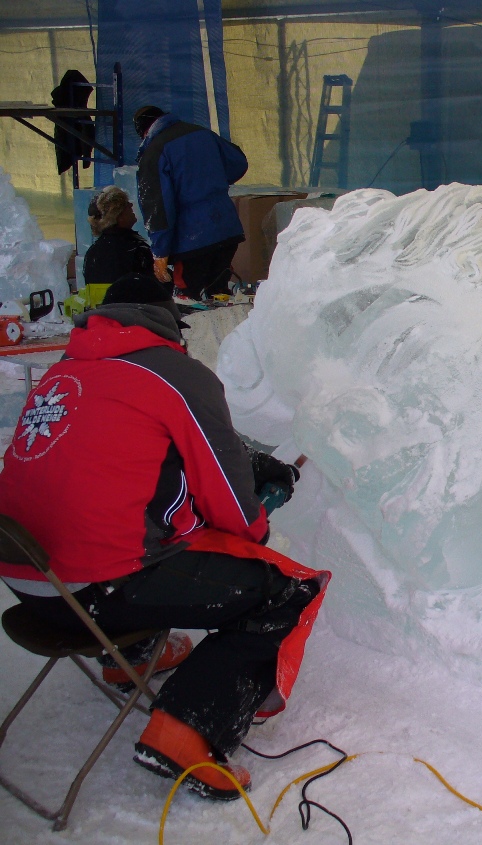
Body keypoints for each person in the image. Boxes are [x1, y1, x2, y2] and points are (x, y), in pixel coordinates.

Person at [0, 274, 327, 800]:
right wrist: (256, 524)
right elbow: (232, 507)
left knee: (136, 528)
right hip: (97, 592)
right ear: (167, 323)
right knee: (284, 591)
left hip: (33, 585)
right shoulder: (176, 373)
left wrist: (243, 464)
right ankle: (187, 732)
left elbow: (128, 462)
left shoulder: (64, 371)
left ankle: (127, 659)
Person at [133, 105, 248, 301]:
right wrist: (211, 184)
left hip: (192, 240)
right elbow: (238, 163)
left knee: (188, 302)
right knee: (219, 296)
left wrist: (160, 253)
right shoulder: (202, 133)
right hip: (227, 229)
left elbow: (158, 210)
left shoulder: (154, 152)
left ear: (143, 132)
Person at [82, 185, 156, 287]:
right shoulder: (136, 249)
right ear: (117, 216)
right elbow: (156, 286)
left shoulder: (92, 252)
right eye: (125, 205)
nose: (130, 205)